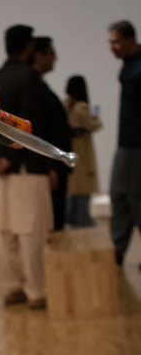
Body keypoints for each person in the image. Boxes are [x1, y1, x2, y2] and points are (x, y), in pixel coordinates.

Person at [0, 24, 54, 310]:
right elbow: (29, 124)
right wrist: (13, 159)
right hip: (25, 166)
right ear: (28, 48)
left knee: (8, 230)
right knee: (30, 232)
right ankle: (36, 290)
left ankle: (14, 286)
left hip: (3, 168)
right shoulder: (29, 77)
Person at [108, 20, 141, 265]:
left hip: (137, 146)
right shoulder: (128, 65)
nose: (113, 47)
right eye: (110, 42)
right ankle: (116, 251)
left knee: (135, 198)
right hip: (126, 143)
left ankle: (117, 251)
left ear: (131, 39)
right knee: (119, 195)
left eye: (117, 41)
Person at [32, 37, 73, 231]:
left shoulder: (40, 86)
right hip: (49, 165)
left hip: (54, 163)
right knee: (51, 224)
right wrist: (48, 165)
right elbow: (39, 129)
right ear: (38, 55)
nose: (55, 58)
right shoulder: (34, 88)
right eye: (51, 53)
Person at [64, 75, 102, 227]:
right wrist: (96, 116)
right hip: (82, 156)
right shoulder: (82, 107)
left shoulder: (64, 105)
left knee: (72, 196)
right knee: (82, 198)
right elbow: (96, 125)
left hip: (69, 153)